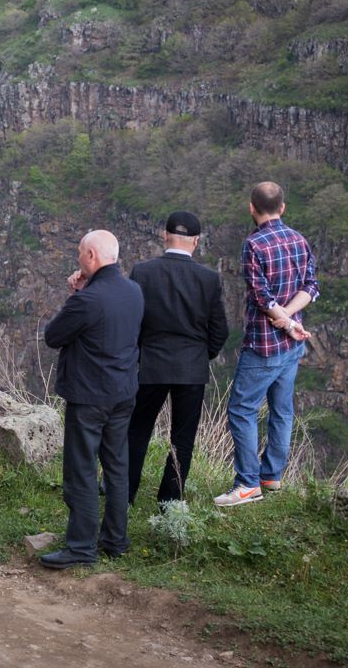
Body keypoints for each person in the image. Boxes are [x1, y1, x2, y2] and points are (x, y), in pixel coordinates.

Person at [40, 230, 143, 570]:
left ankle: (81, 547)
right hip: (123, 392)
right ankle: (115, 539)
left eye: (80, 253)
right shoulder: (134, 291)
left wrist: (76, 294)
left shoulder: (87, 300)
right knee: (116, 466)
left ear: (92, 256)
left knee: (81, 469)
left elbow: (53, 335)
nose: (77, 259)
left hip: (89, 397)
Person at [215, 182, 318, 507]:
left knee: (242, 409)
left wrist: (284, 320)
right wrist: (291, 320)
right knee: (282, 410)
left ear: (252, 207)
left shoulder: (254, 245)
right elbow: (311, 286)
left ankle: (248, 484)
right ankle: (271, 475)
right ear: (282, 207)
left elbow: (262, 297)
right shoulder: (299, 239)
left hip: (264, 346)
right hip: (292, 345)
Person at [127, 211, 229, 508]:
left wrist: (141, 352)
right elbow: (219, 330)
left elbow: (132, 322)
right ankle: (169, 501)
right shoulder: (209, 279)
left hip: (151, 365)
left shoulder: (142, 272)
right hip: (191, 369)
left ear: (165, 235)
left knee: (137, 431)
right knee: (182, 439)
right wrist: (202, 355)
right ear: (196, 241)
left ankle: (124, 493)